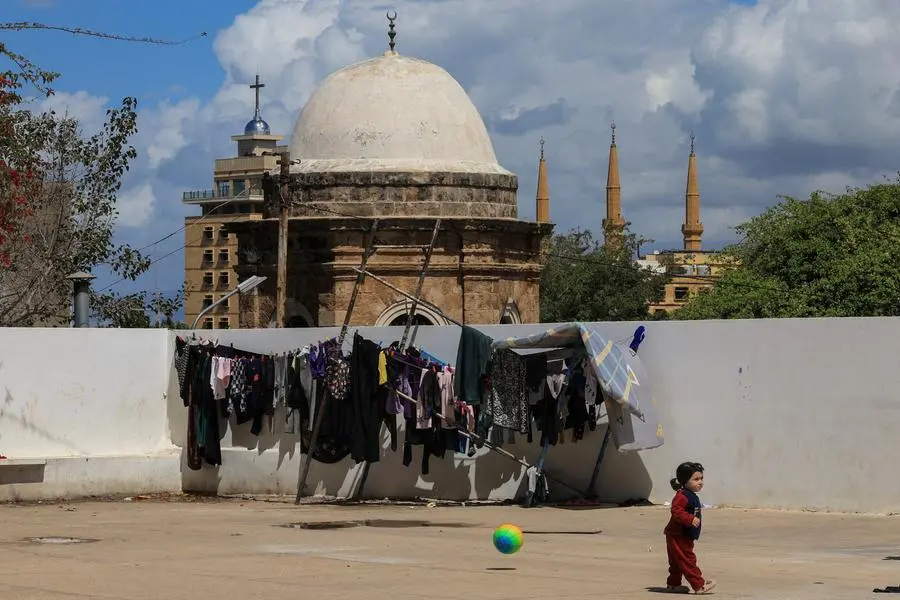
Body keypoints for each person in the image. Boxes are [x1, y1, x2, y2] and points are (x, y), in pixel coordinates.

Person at [663, 461, 717, 594]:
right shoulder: (682, 496)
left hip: (682, 534)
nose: (700, 482)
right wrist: (690, 519)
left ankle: (673, 584)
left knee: (677, 561)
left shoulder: (690, 495)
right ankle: (699, 585)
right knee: (687, 559)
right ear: (685, 480)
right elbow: (676, 510)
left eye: (701, 478)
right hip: (679, 534)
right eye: (696, 479)